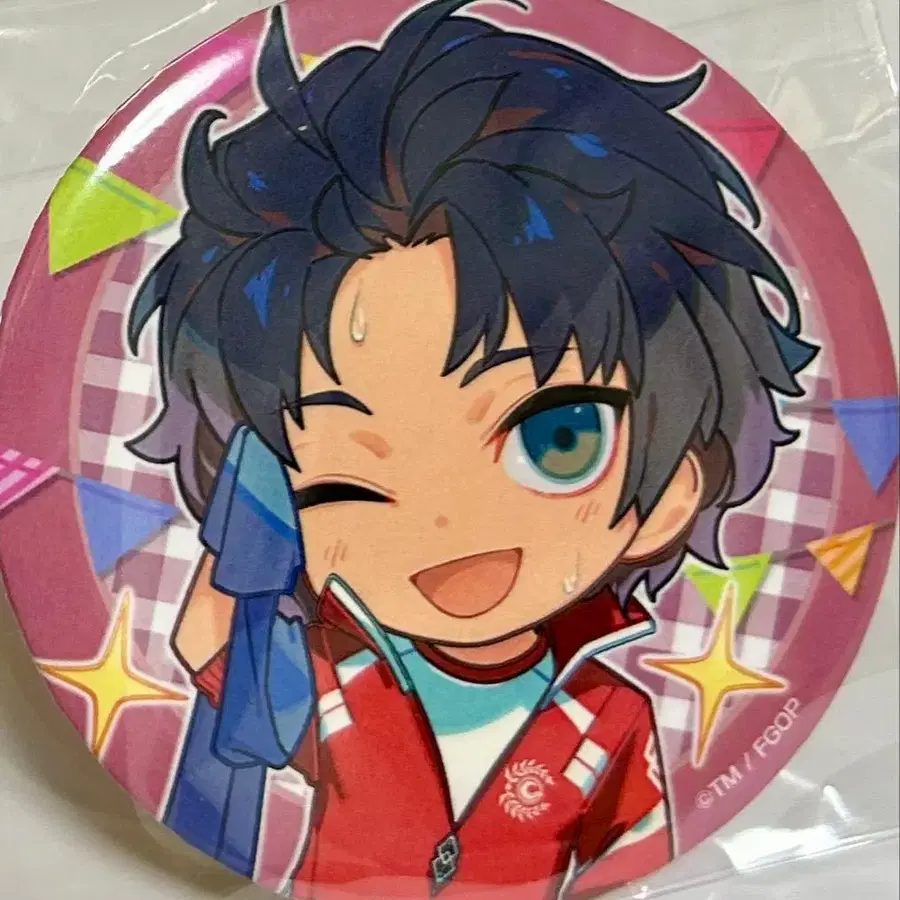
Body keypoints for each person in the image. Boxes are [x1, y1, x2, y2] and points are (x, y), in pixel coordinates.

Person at [126, 1, 816, 896]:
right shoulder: (325, 678)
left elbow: (639, 860)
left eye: (557, 438)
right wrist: (255, 516)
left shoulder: (612, 722)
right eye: (348, 483)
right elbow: (205, 639)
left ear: (677, 484)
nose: (447, 524)